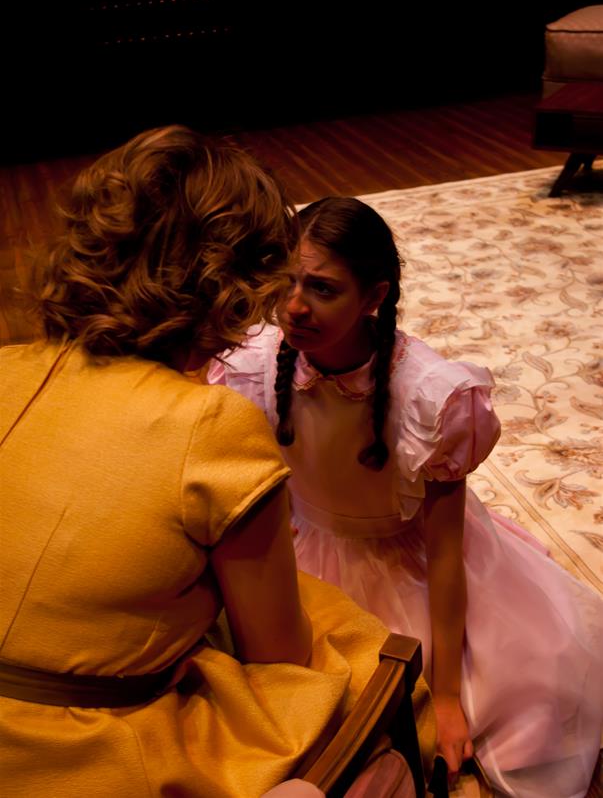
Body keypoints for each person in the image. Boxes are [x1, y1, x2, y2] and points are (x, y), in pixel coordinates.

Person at [0, 134, 434, 798]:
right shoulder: (212, 424)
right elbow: (279, 656)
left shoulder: (8, 368)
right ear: (237, 283)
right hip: (88, 758)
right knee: (363, 659)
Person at [208, 196, 603, 798]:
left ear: (374, 297)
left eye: (321, 288)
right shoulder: (256, 361)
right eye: (287, 281)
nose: (293, 306)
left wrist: (446, 696)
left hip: (410, 564)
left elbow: (445, 555)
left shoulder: (430, 396)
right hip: (306, 558)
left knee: (519, 701)